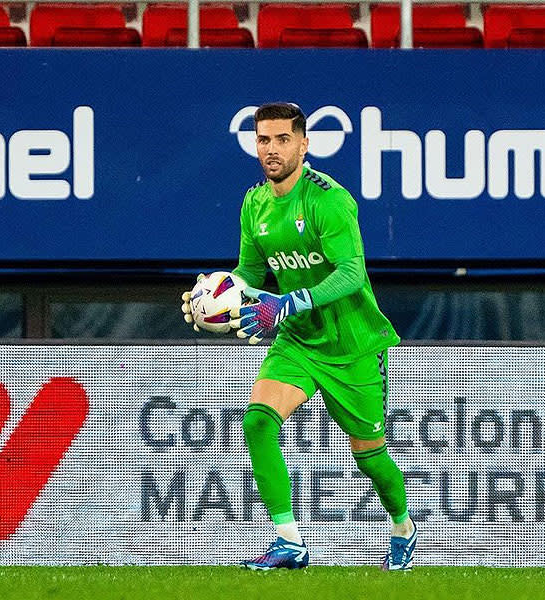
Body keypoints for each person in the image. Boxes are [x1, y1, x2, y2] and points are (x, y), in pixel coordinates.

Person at [182, 102, 415, 571]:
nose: (272, 149)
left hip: (352, 346)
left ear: (304, 144)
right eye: (263, 140)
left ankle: (404, 528)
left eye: (282, 139)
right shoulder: (254, 204)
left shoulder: (329, 199)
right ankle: (289, 541)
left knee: (370, 458)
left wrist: (289, 302)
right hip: (297, 340)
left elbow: (351, 273)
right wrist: (215, 297)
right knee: (258, 422)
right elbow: (250, 274)